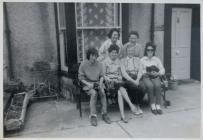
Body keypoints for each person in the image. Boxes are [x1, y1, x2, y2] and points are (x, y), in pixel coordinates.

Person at [103, 44, 137, 123]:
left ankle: (123, 116)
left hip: (117, 83)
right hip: (109, 84)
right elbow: (103, 75)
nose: (114, 54)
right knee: (121, 88)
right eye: (112, 52)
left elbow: (120, 75)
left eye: (115, 52)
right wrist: (109, 79)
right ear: (109, 53)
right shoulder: (105, 62)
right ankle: (131, 105)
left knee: (120, 93)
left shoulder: (119, 61)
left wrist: (119, 78)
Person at [78, 47, 111, 126]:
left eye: (95, 56)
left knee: (102, 92)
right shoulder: (83, 64)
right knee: (94, 94)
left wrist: (100, 83)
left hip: (97, 83)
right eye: (92, 55)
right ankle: (93, 116)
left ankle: (104, 114)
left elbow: (102, 75)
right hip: (87, 84)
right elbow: (80, 78)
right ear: (89, 55)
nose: (94, 57)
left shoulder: (99, 64)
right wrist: (88, 84)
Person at [136, 42, 165, 115]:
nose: (150, 51)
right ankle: (152, 105)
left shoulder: (156, 59)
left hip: (155, 76)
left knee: (158, 85)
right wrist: (139, 78)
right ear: (146, 50)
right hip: (146, 77)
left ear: (154, 51)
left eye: (151, 50)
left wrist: (158, 73)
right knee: (150, 86)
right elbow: (140, 71)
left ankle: (158, 105)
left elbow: (162, 69)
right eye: (148, 50)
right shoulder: (142, 60)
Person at [121, 44, 145, 116]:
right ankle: (137, 106)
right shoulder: (123, 60)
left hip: (137, 77)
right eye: (129, 51)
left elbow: (140, 70)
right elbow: (124, 73)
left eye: (132, 51)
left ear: (134, 51)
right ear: (126, 52)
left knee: (143, 87)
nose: (130, 52)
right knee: (134, 87)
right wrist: (133, 81)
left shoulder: (138, 60)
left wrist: (137, 79)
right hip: (128, 78)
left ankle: (137, 103)